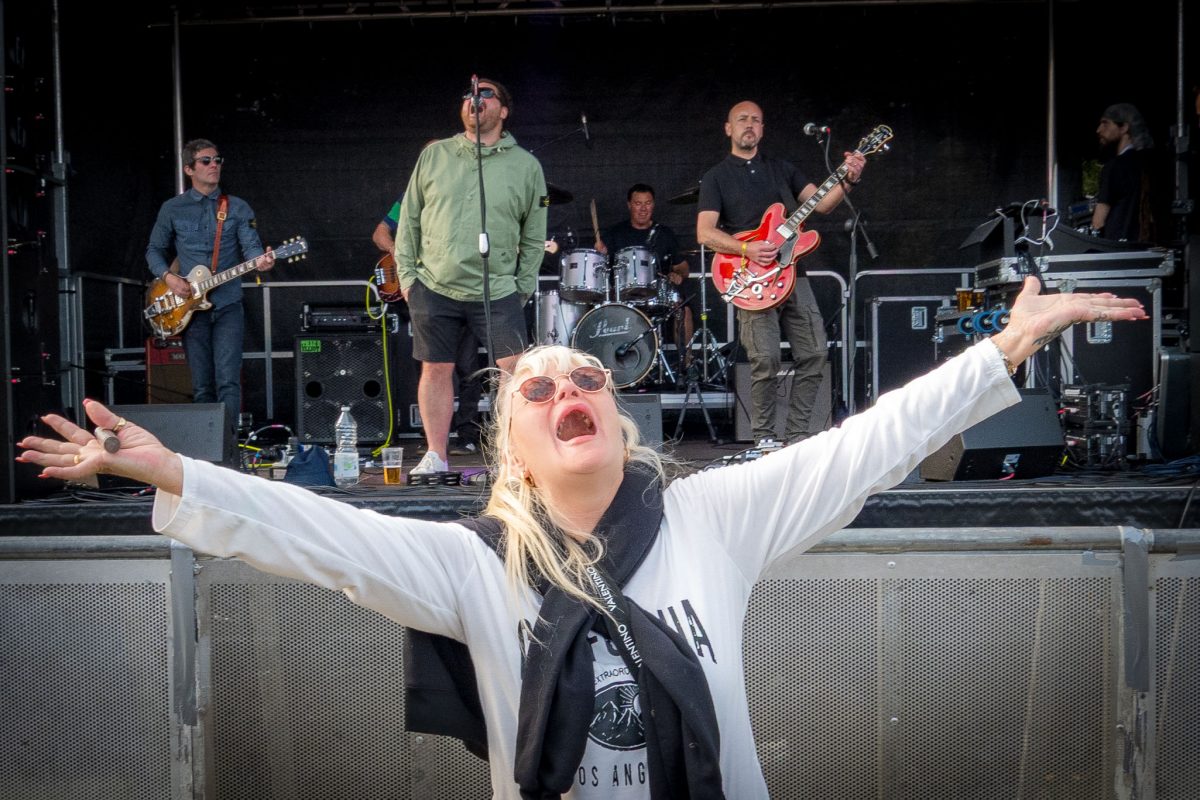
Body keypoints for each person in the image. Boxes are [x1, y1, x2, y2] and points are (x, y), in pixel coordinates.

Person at [20, 277, 1146, 799]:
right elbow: (323, 533)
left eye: (589, 378)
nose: (569, 389)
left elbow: (869, 441)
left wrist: (1005, 351)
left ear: (617, 415)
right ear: (512, 444)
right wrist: (178, 469)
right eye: (540, 385)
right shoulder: (474, 562)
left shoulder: (714, 514)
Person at [394, 79, 547, 474]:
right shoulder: (434, 156)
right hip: (435, 284)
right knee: (436, 368)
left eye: (486, 94)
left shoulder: (526, 166)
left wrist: (523, 285)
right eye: (467, 94)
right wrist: (408, 278)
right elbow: (408, 219)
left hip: (497, 287)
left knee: (512, 372)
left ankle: (513, 458)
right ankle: (436, 456)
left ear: (504, 110)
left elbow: (534, 235)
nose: (474, 99)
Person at [696, 101, 865, 448]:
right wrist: (747, 249)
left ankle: (799, 435)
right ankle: (764, 439)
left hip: (793, 274)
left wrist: (849, 178)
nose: (750, 125)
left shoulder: (782, 169)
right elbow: (705, 233)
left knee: (815, 353)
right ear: (728, 128)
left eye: (756, 120)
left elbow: (822, 204)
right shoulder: (716, 177)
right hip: (751, 276)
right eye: (742, 119)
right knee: (765, 359)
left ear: (763, 130)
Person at [146, 138, 275, 455]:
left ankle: (228, 448)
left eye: (217, 159)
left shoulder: (237, 207)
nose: (214, 164)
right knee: (202, 384)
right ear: (189, 168)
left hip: (228, 304)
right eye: (206, 161)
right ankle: (206, 451)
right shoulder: (173, 209)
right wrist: (170, 278)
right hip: (191, 309)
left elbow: (252, 248)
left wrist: (263, 260)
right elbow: (153, 251)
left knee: (228, 380)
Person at [373, 197, 483, 455]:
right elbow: (379, 233)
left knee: (468, 368)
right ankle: (433, 438)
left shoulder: (464, 200)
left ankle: (467, 436)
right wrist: (395, 252)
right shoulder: (408, 202)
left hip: (460, 290)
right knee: (427, 366)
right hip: (426, 296)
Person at [595, 184, 697, 378]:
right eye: (638, 203)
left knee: (683, 311)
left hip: (658, 294)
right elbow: (599, 269)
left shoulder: (664, 233)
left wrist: (678, 274)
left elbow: (683, 267)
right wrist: (600, 254)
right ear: (629, 205)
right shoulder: (616, 233)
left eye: (647, 203)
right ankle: (622, 369)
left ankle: (687, 364)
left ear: (653, 205)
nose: (643, 208)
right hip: (624, 296)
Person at [1091, 103, 1155, 243]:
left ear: (1124, 128)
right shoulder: (1146, 165)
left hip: (1115, 249)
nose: (1098, 130)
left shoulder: (1114, 166)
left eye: (1105, 124)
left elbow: (1098, 222)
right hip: (1144, 247)